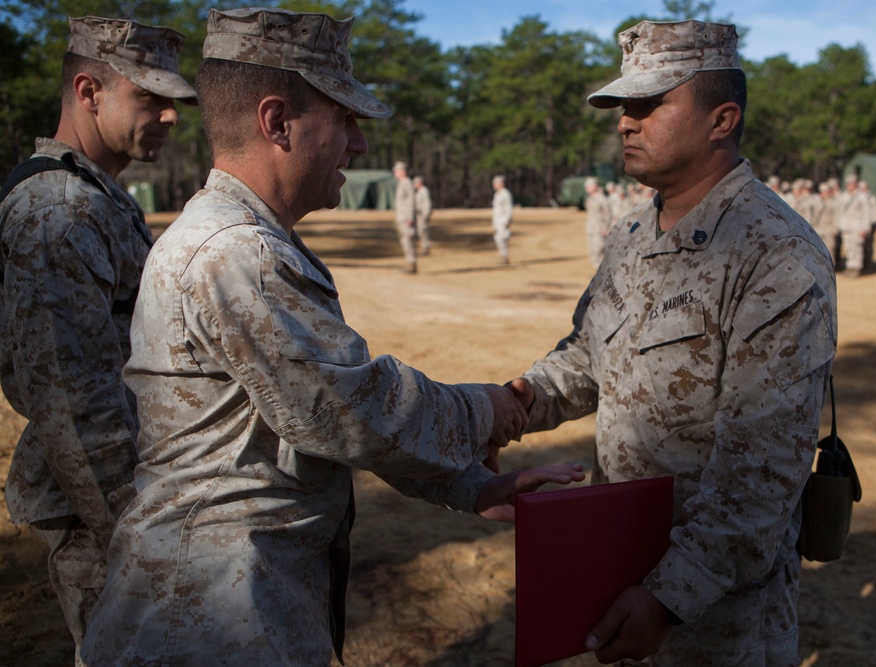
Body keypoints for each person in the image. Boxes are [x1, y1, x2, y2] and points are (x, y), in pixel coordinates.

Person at [79, 8, 583, 666]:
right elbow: (347, 410)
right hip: (209, 621)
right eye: (344, 119)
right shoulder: (238, 252)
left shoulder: (244, 239)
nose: (360, 145)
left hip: (228, 602)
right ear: (277, 122)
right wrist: (486, 408)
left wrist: (471, 487)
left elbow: (295, 424)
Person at [507, 19, 837, 665]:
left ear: (722, 119)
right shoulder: (633, 232)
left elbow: (761, 472)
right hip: (625, 567)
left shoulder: (776, 253)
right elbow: (590, 354)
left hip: (715, 610)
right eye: (621, 107)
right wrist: (517, 399)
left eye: (649, 103)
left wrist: (668, 595)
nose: (626, 122)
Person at [0, 16, 195, 663]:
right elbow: (72, 401)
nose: (170, 117)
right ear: (89, 92)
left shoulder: (94, 194)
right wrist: (139, 540)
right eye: (151, 98)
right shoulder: (57, 207)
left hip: (125, 491)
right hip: (100, 509)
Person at [837, 174, 873, 276]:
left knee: (857, 247)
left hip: (857, 226)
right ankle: (849, 266)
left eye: (852, 183)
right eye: (848, 183)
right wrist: (840, 225)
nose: (850, 185)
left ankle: (856, 267)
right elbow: (840, 212)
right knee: (848, 248)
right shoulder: (844, 196)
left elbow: (866, 213)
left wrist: (865, 228)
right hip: (846, 227)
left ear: (856, 184)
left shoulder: (862, 197)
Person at [393, 160, 418, 273]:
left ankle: (411, 264)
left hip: (406, 219)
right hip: (401, 218)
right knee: (404, 241)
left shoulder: (407, 183)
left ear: (402, 171)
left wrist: (410, 218)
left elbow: (411, 201)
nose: (395, 173)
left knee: (408, 241)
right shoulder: (402, 183)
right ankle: (409, 263)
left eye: (397, 170)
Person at [584, 176, 614, 268]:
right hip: (590, 228)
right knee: (592, 252)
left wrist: (605, 228)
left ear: (595, 186)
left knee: (599, 251)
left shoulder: (602, 199)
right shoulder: (589, 199)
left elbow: (607, 214)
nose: (587, 188)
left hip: (599, 229)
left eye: (589, 186)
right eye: (586, 186)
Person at [491, 174, 513, 264]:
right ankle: (504, 256)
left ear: (501, 184)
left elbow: (509, 208)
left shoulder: (505, 194)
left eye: (496, 183)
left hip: (503, 220)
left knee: (502, 238)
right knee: (498, 238)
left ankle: (505, 257)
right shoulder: (497, 194)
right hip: (497, 220)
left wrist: (507, 220)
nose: (494, 185)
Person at [413, 174, 432, 255]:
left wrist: (426, 215)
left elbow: (427, 204)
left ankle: (426, 248)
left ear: (419, 183)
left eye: (415, 183)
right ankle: (424, 247)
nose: (414, 185)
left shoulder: (424, 191)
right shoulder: (419, 191)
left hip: (422, 215)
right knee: (421, 232)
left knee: (423, 231)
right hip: (419, 215)